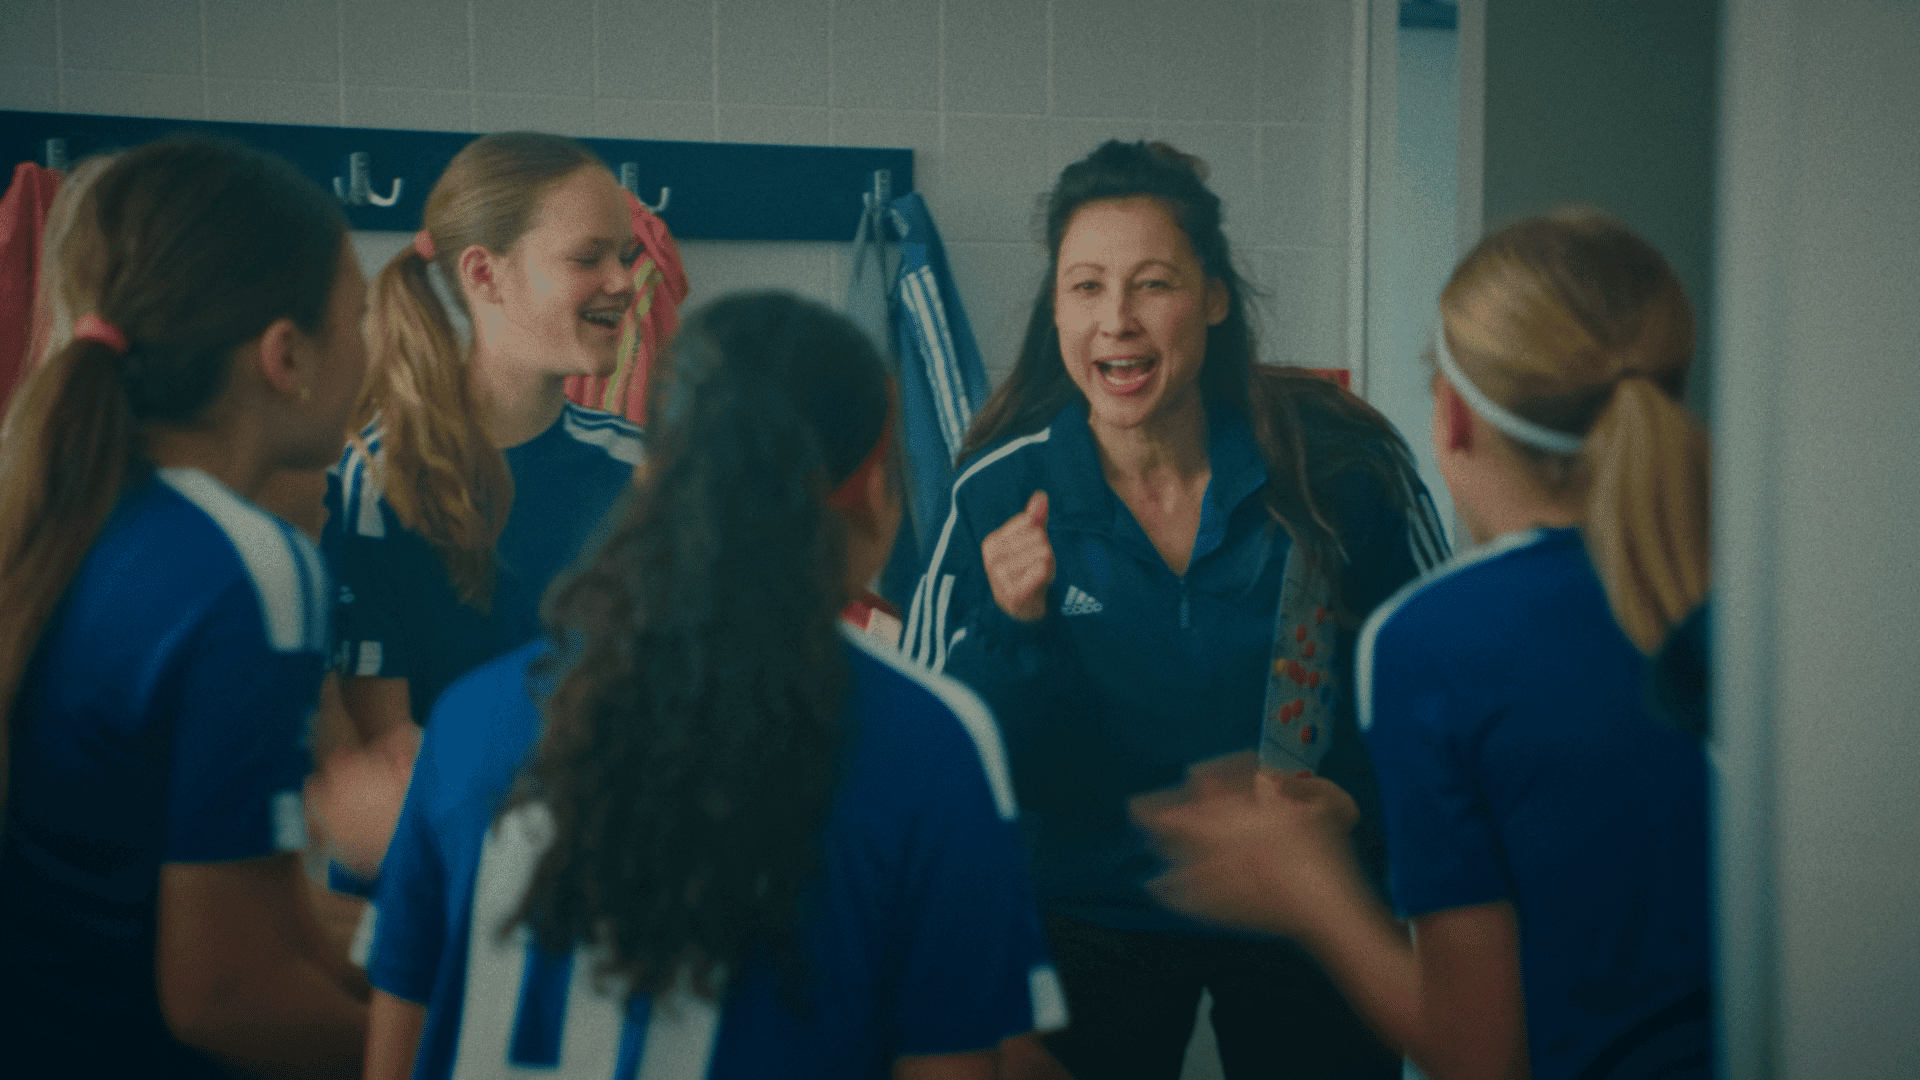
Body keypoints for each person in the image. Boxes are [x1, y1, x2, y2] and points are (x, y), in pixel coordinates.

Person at [360, 291, 1064, 1080]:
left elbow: (393, 1059)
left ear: (653, 480)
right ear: (871, 484)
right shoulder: (925, 747)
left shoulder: (468, 721)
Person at [904, 139, 1447, 1079]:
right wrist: (1009, 625)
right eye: (1084, 287)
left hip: (1302, 910)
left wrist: (1354, 804)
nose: (1115, 319)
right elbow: (933, 754)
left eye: (1152, 284)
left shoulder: (1340, 474)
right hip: (1085, 918)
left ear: (1214, 297)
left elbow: (1434, 691)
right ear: (1057, 307)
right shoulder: (997, 491)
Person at [1134, 210, 1713, 1080]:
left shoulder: (1439, 642)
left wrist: (1309, 886)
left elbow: (1481, 1056)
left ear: (1453, 421)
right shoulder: (1781, 608)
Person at [0, 135, 372, 1077]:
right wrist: (465, 1054)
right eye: (361, 320)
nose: (374, 356)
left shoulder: (65, 513)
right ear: (285, 356)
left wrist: (422, 975)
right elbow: (226, 995)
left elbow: (269, 917)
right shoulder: (247, 567)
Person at [325, 130, 645, 749]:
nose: (625, 282)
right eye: (589, 258)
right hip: (444, 838)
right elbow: (387, 751)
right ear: (483, 273)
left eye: (625, 256)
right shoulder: (376, 481)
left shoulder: (641, 468)